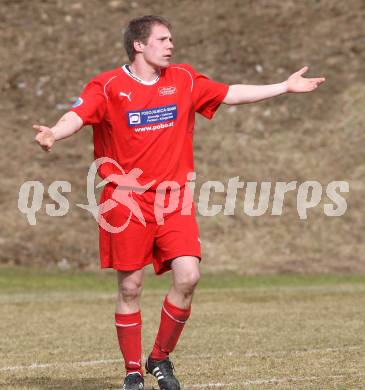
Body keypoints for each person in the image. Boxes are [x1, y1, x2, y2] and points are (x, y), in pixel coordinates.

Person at [33, 15, 325, 390]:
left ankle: (159, 358)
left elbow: (230, 92)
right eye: (163, 39)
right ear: (139, 45)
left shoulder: (184, 79)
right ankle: (133, 372)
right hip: (125, 202)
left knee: (188, 276)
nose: (171, 45)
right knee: (130, 288)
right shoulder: (108, 86)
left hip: (174, 199)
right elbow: (78, 114)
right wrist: (54, 133)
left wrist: (284, 87)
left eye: (171, 39)